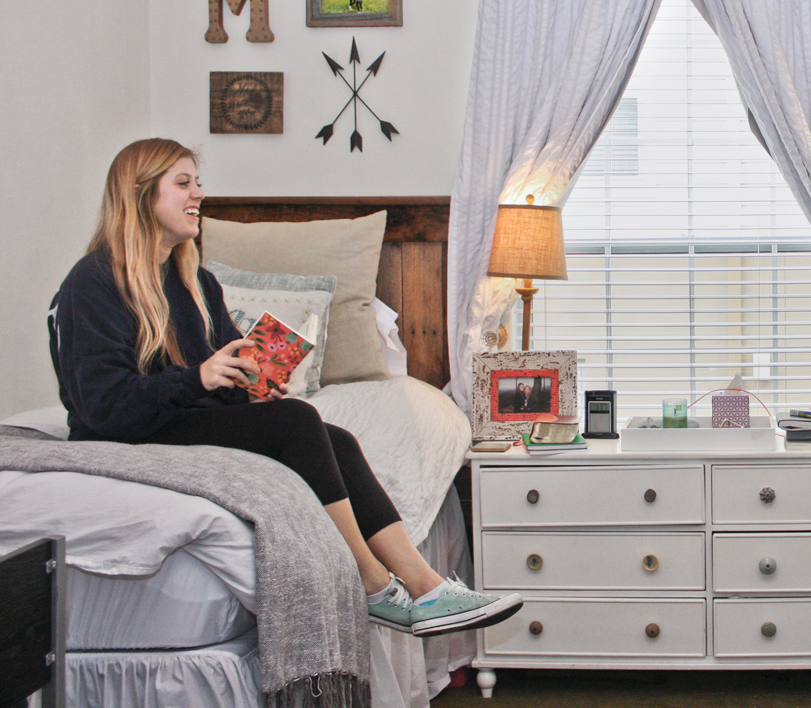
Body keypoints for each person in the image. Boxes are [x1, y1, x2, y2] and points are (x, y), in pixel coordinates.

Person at [49, 138, 522, 636]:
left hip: (172, 419)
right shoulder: (95, 281)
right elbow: (105, 407)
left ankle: (425, 587)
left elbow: (223, 374)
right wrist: (200, 377)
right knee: (297, 421)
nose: (198, 195)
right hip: (127, 434)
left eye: (198, 183)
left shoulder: (196, 282)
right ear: (141, 195)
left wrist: (249, 388)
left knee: (329, 434)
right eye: (183, 183)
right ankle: (372, 585)